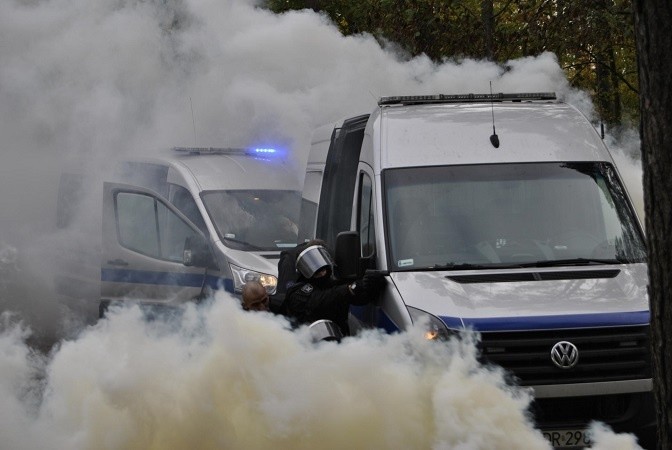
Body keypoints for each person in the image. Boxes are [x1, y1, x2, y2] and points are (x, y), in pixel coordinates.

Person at [280, 243, 386, 336]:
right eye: (317, 271)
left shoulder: (331, 283)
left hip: (338, 340)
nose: (322, 274)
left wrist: (369, 286)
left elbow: (356, 299)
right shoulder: (297, 293)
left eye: (324, 269)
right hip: (307, 345)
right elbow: (323, 300)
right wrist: (351, 288)